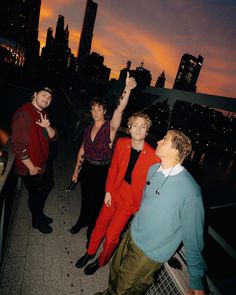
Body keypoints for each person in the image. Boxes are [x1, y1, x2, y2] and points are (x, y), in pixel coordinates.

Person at [96, 129, 207, 295]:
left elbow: (193, 238)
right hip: (132, 235)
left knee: (126, 288)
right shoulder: (153, 169)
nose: (158, 141)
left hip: (150, 253)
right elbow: (145, 202)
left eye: (164, 140)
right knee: (115, 271)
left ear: (175, 150)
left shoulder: (191, 191)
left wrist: (196, 279)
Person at [75, 113, 160, 275]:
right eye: (135, 125)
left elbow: (152, 188)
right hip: (114, 191)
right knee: (100, 224)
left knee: (112, 235)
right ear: (129, 128)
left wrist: (140, 207)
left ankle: (101, 261)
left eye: (143, 126)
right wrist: (108, 191)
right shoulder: (121, 143)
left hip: (130, 201)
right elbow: (113, 168)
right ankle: (90, 252)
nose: (138, 129)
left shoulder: (154, 157)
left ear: (147, 131)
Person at [69, 72, 137, 241]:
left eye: (99, 109)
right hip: (87, 168)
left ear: (104, 111)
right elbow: (82, 151)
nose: (95, 111)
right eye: (93, 108)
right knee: (85, 197)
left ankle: (92, 227)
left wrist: (127, 89)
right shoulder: (88, 128)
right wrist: (76, 172)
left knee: (97, 202)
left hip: (102, 170)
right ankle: (81, 221)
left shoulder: (110, 128)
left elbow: (120, 110)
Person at [11, 86, 57, 234]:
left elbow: (53, 137)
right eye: (44, 96)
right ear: (34, 94)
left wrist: (48, 127)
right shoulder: (23, 114)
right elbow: (18, 146)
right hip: (29, 166)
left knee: (48, 185)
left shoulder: (42, 113)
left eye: (49, 98)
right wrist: (30, 167)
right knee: (36, 194)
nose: (47, 100)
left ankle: (39, 214)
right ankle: (37, 221)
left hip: (42, 163)